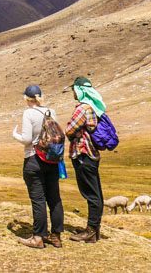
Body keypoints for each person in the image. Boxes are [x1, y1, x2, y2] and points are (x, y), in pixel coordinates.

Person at [12, 84, 63, 249]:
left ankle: (38, 237)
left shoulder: (29, 113)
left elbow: (27, 139)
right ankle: (56, 236)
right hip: (52, 160)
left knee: (38, 199)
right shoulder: (51, 111)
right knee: (54, 198)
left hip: (34, 159)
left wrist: (15, 135)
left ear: (26, 98)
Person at [64, 76, 105, 243]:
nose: (73, 93)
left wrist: (71, 131)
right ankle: (94, 230)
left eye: (74, 90)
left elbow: (69, 130)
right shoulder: (94, 107)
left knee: (90, 192)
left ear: (79, 90)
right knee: (95, 192)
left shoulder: (82, 109)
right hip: (92, 153)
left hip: (83, 153)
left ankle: (90, 230)